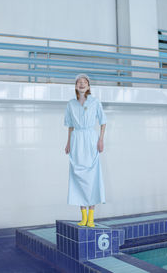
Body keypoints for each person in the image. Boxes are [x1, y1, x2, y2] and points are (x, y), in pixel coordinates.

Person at [64, 74, 107, 228]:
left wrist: (101, 140)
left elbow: (103, 122)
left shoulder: (95, 102)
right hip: (76, 140)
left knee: (92, 177)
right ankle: (83, 216)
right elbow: (70, 125)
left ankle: (91, 217)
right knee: (77, 176)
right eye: (79, 82)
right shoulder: (70, 104)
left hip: (90, 139)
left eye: (85, 82)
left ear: (88, 86)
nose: (82, 84)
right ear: (76, 86)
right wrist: (68, 142)